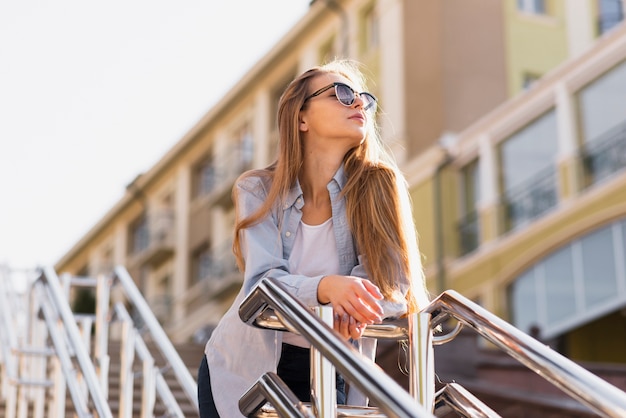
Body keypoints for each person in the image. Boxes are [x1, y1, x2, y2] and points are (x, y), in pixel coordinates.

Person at [197, 59, 430, 417]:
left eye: (363, 98)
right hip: (241, 367)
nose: (358, 104)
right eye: (341, 93)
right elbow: (262, 283)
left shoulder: (379, 186)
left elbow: (393, 289)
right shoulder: (257, 189)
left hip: (330, 362)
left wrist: (353, 302)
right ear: (300, 118)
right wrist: (327, 290)